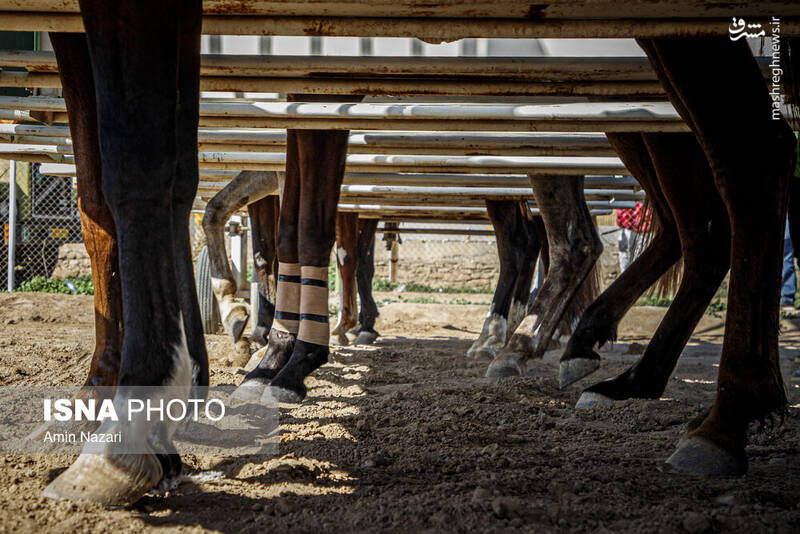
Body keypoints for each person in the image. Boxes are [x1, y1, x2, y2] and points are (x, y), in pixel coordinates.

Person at [616, 201, 650, 272]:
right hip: (637, 231)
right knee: (634, 254)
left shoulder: (622, 203)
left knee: (627, 255)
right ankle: (630, 273)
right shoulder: (642, 203)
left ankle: (627, 274)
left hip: (633, 231)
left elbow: (619, 220)